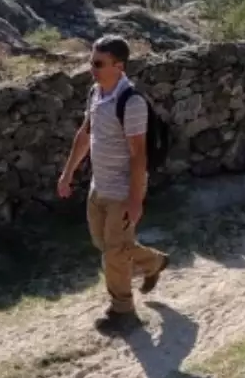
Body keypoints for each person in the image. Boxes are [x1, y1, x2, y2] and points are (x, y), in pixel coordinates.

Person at [57, 35, 168, 335]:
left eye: (97, 63)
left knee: (114, 253)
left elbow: (138, 154)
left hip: (121, 190)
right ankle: (154, 262)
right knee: (106, 245)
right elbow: (85, 134)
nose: (91, 68)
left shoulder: (130, 102)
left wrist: (135, 200)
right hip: (99, 186)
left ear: (119, 66)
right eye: (91, 61)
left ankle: (122, 311)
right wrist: (67, 174)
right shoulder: (96, 92)